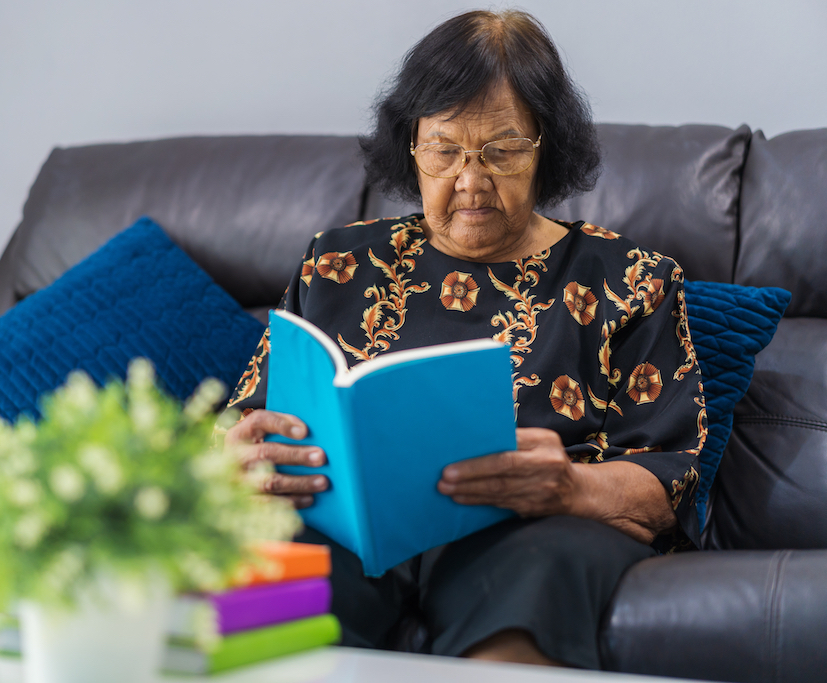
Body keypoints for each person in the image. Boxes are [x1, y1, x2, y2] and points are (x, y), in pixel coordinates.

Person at [224, 9, 706, 670]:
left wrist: (570, 486)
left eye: (501, 151)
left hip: (536, 530)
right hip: (343, 525)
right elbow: (245, 418)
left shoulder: (630, 280)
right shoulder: (335, 264)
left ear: (545, 149)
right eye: (444, 149)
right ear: (411, 147)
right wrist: (233, 455)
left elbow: (670, 478)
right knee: (270, 578)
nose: (470, 181)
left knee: (533, 579)